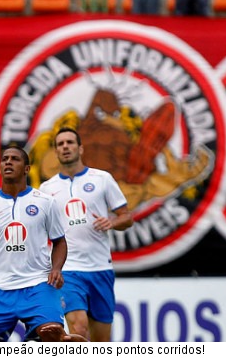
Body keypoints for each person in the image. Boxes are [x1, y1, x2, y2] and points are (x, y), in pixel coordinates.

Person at [0, 146, 70, 342]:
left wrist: (56, 269)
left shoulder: (46, 202)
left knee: (52, 335)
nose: (8, 162)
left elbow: (60, 242)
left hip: (38, 284)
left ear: (27, 169)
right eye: (5, 159)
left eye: (15, 159)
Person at [38, 127, 134, 342]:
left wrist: (112, 221)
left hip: (100, 268)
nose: (65, 147)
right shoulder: (46, 189)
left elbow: (127, 218)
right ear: (56, 151)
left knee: (101, 342)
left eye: (70, 142)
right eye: (60, 144)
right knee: (78, 329)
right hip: (68, 270)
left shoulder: (102, 179)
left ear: (80, 148)